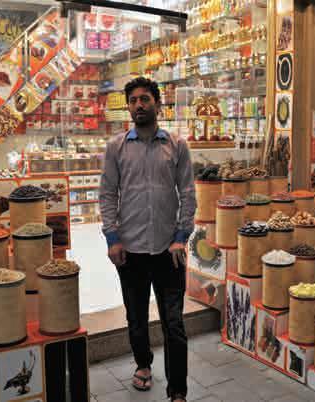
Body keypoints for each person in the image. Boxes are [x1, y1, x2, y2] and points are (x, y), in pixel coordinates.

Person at [99, 77, 196, 402]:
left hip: (170, 251)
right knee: (136, 318)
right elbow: (107, 194)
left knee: (174, 323)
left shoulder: (177, 145)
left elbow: (187, 193)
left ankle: (178, 390)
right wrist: (112, 238)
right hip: (131, 251)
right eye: (133, 100)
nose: (139, 105)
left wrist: (181, 236)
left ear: (157, 103)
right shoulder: (116, 148)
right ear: (128, 107)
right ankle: (143, 363)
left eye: (145, 99)